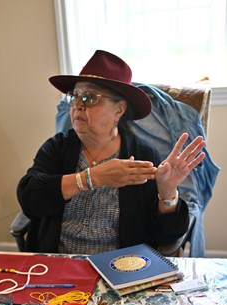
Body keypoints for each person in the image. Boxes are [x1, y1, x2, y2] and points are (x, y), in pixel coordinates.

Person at [16, 49, 207, 254]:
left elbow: (166, 237)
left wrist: (167, 192)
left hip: (120, 268)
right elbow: (29, 199)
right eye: (75, 96)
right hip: (59, 263)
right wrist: (91, 178)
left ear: (119, 109)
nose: (78, 105)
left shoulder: (142, 156)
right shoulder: (57, 147)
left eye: (90, 98)